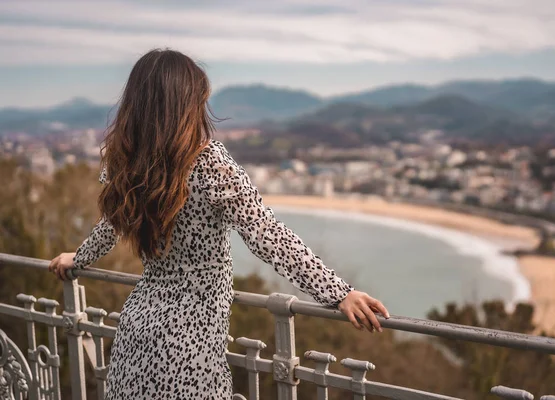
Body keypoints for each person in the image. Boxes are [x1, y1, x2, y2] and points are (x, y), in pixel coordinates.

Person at [48, 48, 389, 399]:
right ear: (186, 104)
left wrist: (79, 258)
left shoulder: (127, 162)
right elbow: (266, 233)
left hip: (135, 331)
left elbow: (110, 225)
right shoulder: (208, 160)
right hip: (188, 345)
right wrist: (338, 292)